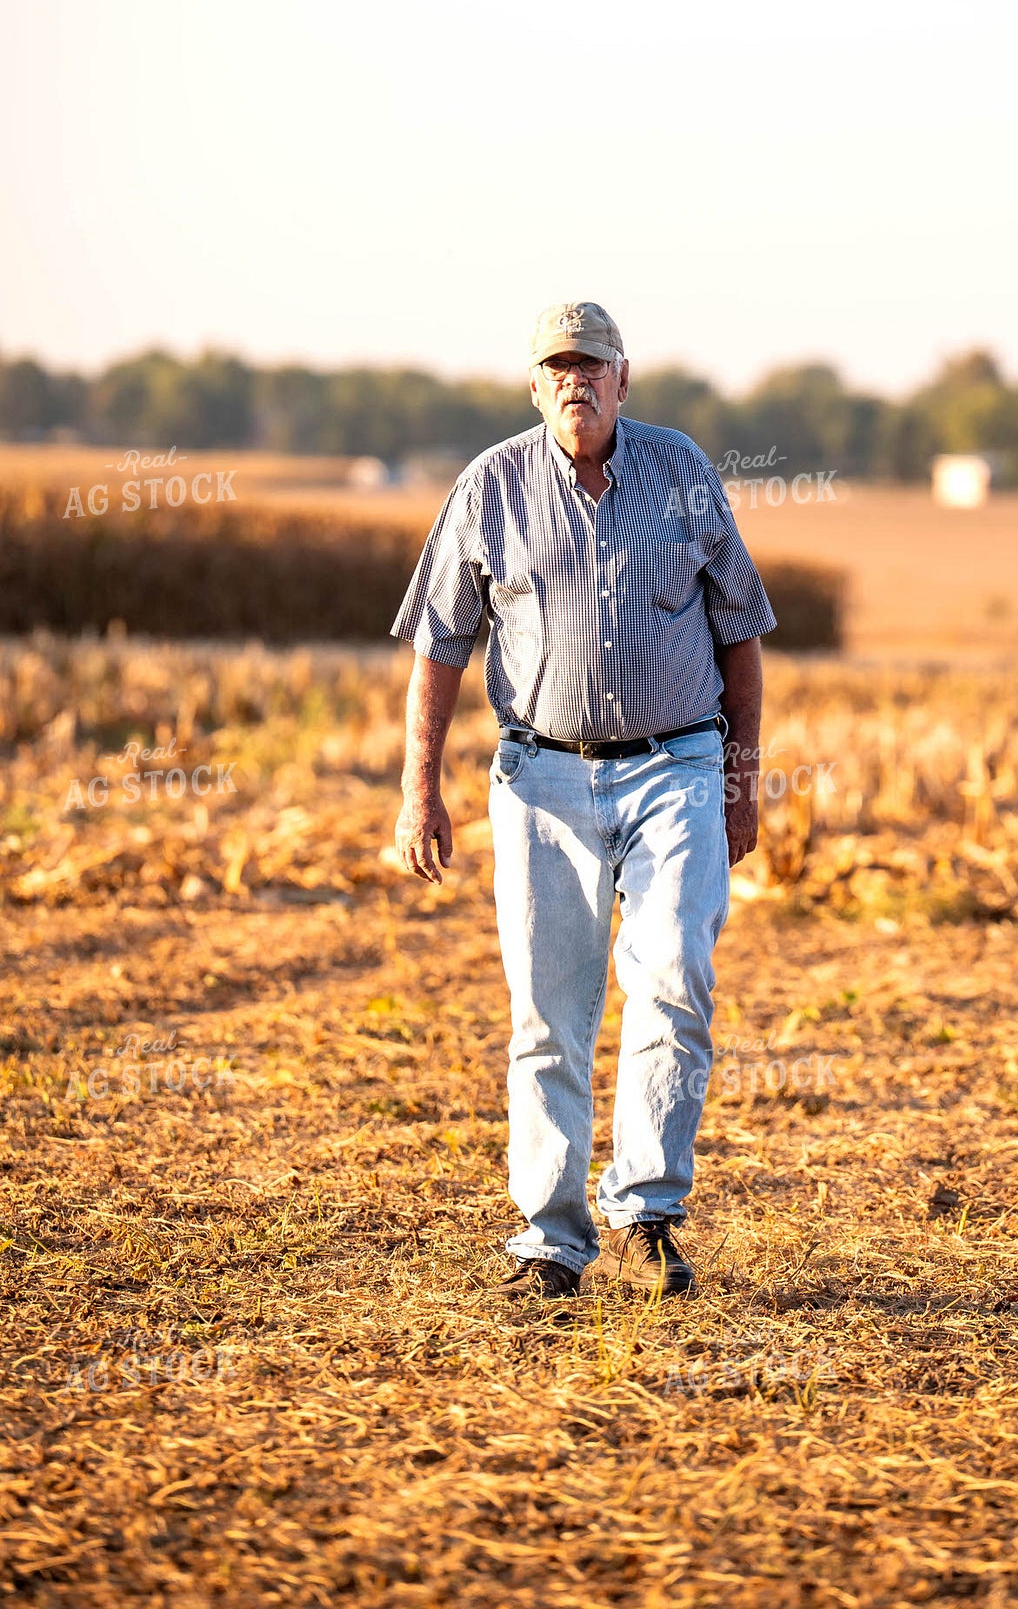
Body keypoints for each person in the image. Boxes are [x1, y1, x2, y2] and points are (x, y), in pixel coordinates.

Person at [390, 301, 775, 1300]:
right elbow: (439, 645)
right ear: (533, 384)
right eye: (557, 367)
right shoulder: (490, 488)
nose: (576, 382)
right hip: (541, 778)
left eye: (592, 366)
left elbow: (741, 631)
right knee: (549, 1014)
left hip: (678, 766)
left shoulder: (680, 470)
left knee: (675, 974)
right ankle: (552, 1240)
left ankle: (647, 1210)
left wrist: (741, 778)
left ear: (623, 379)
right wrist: (417, 790)